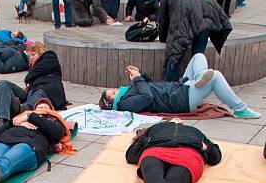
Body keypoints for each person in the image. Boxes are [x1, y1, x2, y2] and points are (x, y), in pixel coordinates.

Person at [98, 53, 261, 119]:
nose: (114, 90)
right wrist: (137, 79)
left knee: (198, 56)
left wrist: (139, 74)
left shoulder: (129, 92)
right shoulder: (125, 103)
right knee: (216, 76)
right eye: (111, 93)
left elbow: (149, 85)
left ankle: (199, 77)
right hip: (180, 100)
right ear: (113, 102)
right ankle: (240, 109)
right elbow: (148, 97)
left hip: (177, 88)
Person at [125, 120, 222, 183]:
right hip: (185, 154)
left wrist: (142, 140)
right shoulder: (195, 131)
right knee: (174, 181)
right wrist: (206, 147)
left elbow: (131, 156)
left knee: (154, 173)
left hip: (163, 151)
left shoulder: (156, 128)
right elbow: (216, 157)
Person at [0, 43, 67, 137]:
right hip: (11, 100)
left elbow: (32, 77)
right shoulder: (35, 67)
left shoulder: (49, 57)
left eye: (33, 54)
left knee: (4, 84)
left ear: (41, 53)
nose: (31, 58)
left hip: (37, 92)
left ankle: (1, 120)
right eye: (29, 56)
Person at [159, 0, 231, 82]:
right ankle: (200, 77)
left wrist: (163, 38)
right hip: (207, 7)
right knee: (198, 54)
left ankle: (170, 87)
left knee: (175, 55)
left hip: (184, 12)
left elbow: (162, 19)